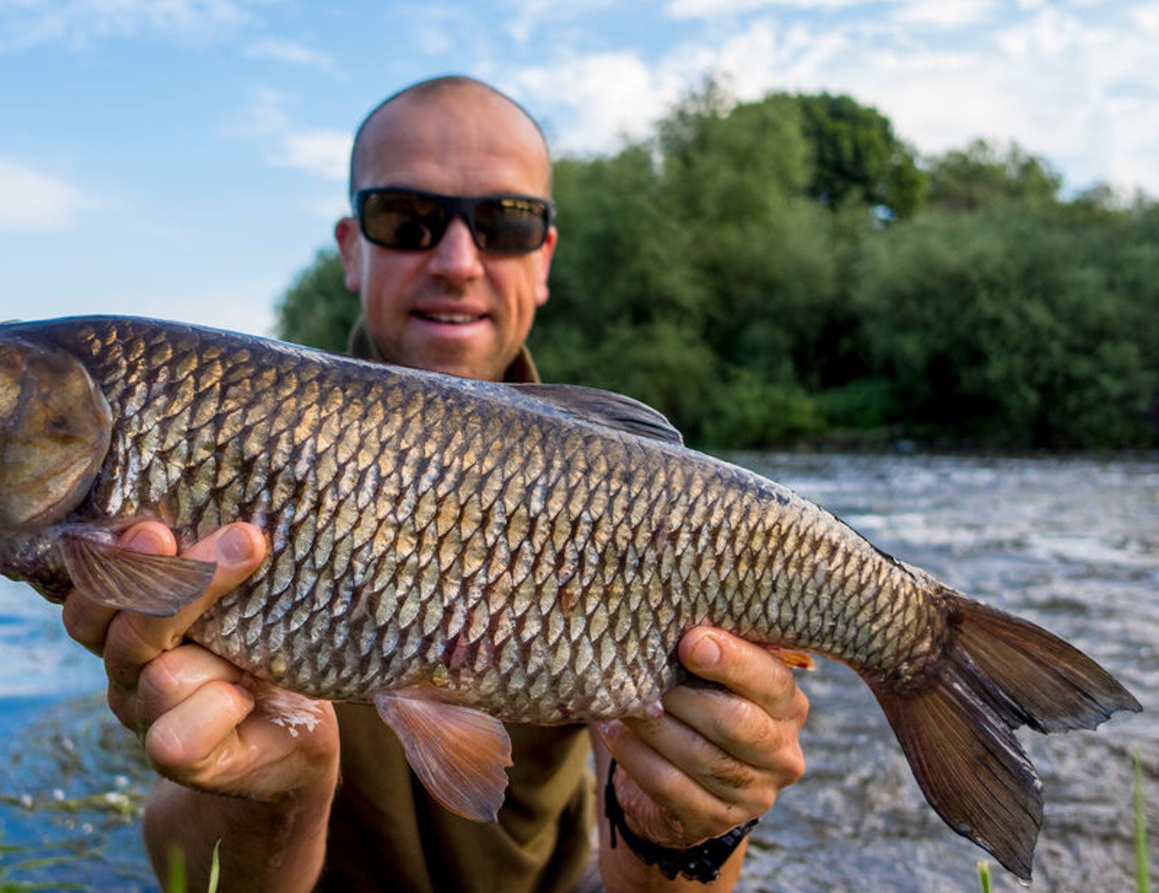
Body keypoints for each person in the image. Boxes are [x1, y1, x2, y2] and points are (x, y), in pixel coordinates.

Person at [61, 75, 809, 892]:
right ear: (353, 248)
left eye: (504, 224)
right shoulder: (226, 441)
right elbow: (179, 866)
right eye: (407, 220)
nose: (458, 261)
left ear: (545, 257)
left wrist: (689, 821)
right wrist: (273, 799)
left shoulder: (629, 499)